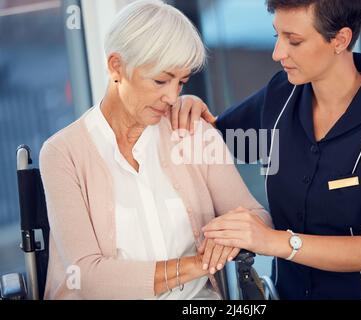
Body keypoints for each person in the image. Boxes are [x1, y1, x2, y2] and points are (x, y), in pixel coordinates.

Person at [172, 0, 361, 300]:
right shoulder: (280, 94)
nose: (277, 53)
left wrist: (272, 241)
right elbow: (217, 139)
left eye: (294, 41)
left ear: (340, 39)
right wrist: (189, 107)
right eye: (277, 36)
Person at [39, 0, 271, 300]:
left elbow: (258, 217)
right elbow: (88, 277)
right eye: (161, 80)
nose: (173, 97)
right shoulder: (62, 153)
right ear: (116, 66)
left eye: (182, 82)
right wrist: (200, 264)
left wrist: (231, 235)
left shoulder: (191, 131)